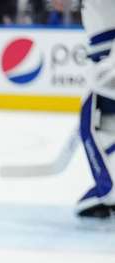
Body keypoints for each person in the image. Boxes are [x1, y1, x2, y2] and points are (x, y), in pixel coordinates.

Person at [76, 0, 115, 219]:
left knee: (89, 122)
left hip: (109, 62)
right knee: (107, 128)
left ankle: (106, 190)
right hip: (104, 58)